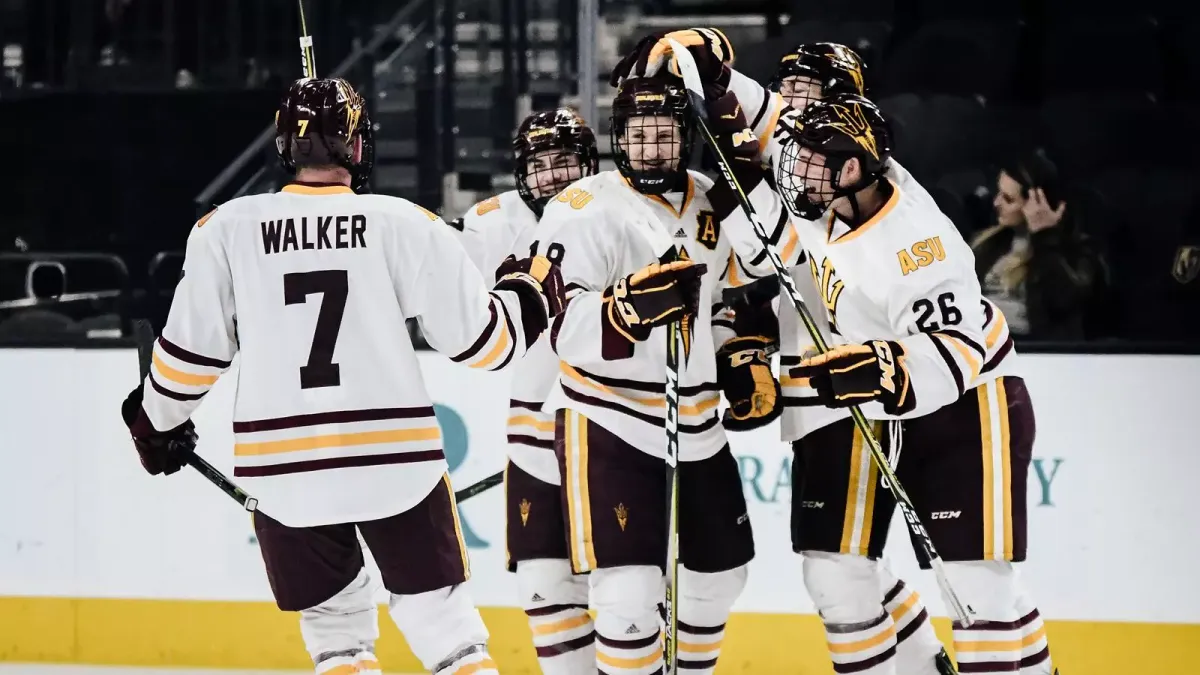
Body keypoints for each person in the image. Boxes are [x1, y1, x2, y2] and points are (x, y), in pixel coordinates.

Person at [627, 32, 1058, 675]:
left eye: (805, 161)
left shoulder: (918, 247)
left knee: (976, 590)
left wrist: (888, 369)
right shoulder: (830, 184)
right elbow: (769, 164)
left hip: (969, 403)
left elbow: (958, 350)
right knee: (837, 575)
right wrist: (707, 72)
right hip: (872, 401)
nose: (791, 166)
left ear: (852, 168)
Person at [118, 77, 566, 675]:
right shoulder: (404, 223)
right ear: (358, 148)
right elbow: (486, 345)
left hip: (283, 470)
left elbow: (189, 360)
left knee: (337, 638)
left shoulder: (225, 229)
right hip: (395, 462)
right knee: (448, 630)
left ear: (284, 148)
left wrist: (153, 423)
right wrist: (527, 294)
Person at [533, 71, 781, 675]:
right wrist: (625, 309)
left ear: (685, 138)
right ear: (619, 137)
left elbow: (731, 301)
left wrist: (739, 355)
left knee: (722, 576)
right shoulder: (580, 207)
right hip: (609, 416)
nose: (649, 148)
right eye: (637, 134)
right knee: (627, 596)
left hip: (695, 420)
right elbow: (561, 326)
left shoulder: (710, 199)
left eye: (663, 134)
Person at [449, 107, 602, 674]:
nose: (555, 175)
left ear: (588, 162)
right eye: (541, 164)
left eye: (566, 161)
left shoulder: (618, 207)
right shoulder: (488, 224)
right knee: (543, 588)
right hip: (531, 433)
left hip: (613, 426)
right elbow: (457, 321)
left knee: (623, 591)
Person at [972, 149, 1104, 340]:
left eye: (1008, 199)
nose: (996, 202)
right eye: (998, 193)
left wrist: (1045, 236)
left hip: (1031, 352)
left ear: (1036, 202)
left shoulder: (1076, 252)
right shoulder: (988, 242)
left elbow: (1061, 302)